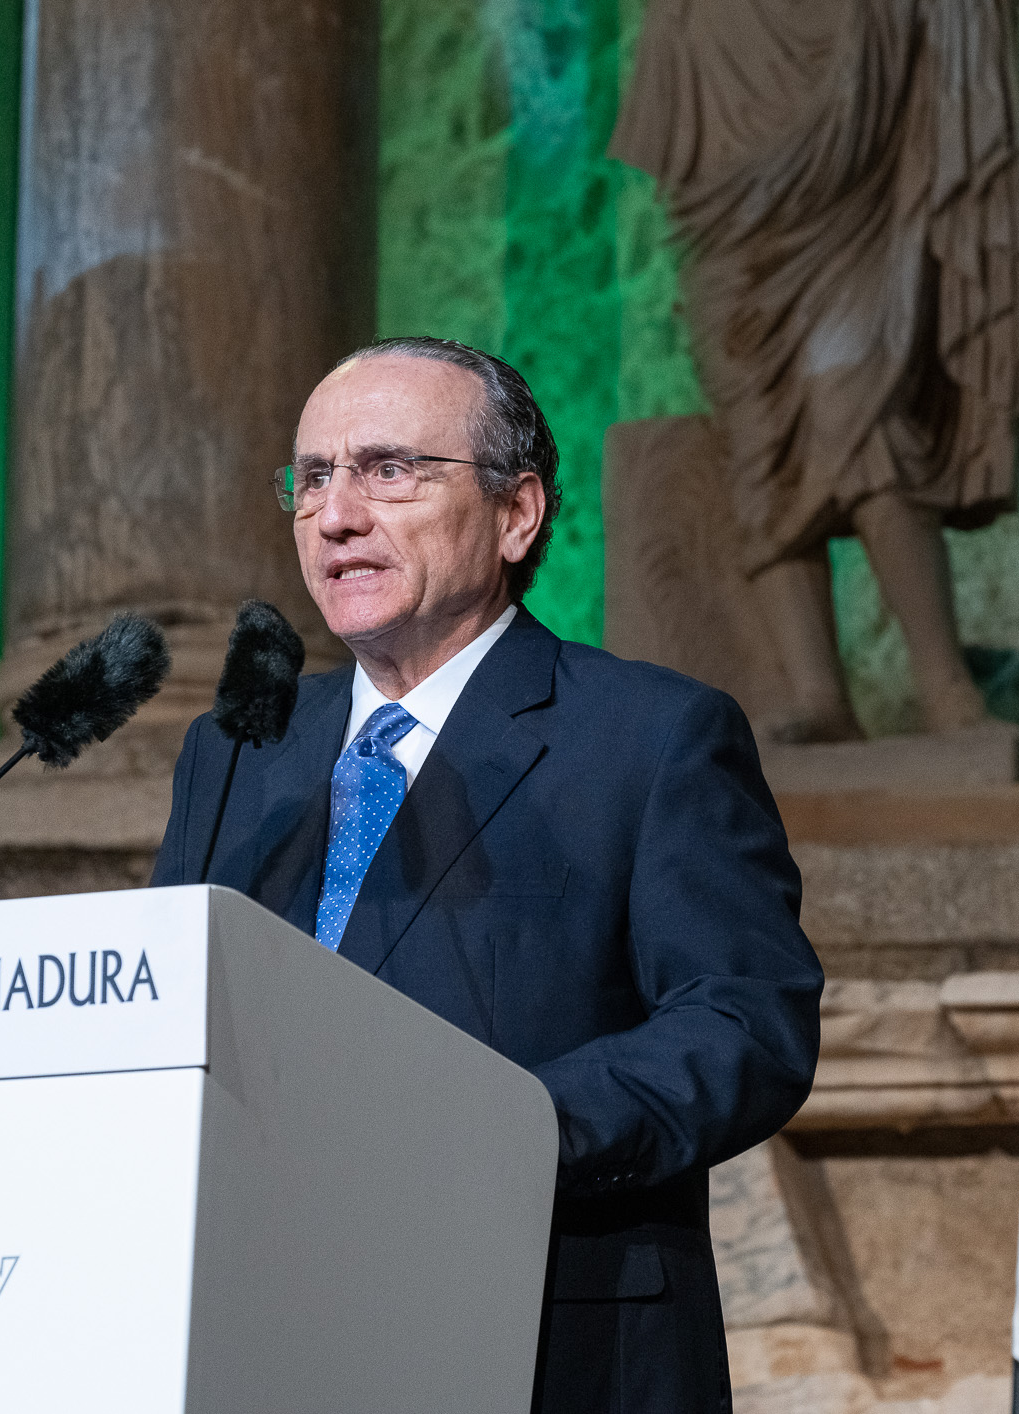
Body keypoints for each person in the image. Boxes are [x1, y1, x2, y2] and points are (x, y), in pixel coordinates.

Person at [150, 336, 824, 1413]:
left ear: (518, 513)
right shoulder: (237, 752)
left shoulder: (647, 736)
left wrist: (504, 1127)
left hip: (539, 1329)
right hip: (259, 1331)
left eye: (388, 469)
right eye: (313, 477)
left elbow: (747, 1021)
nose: (335, 515)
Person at [610, 0, 1019, 742]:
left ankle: (943, 687)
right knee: (761, 453)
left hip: (857, 156)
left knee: (864, 418)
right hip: (724, 185)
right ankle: (818, 694)